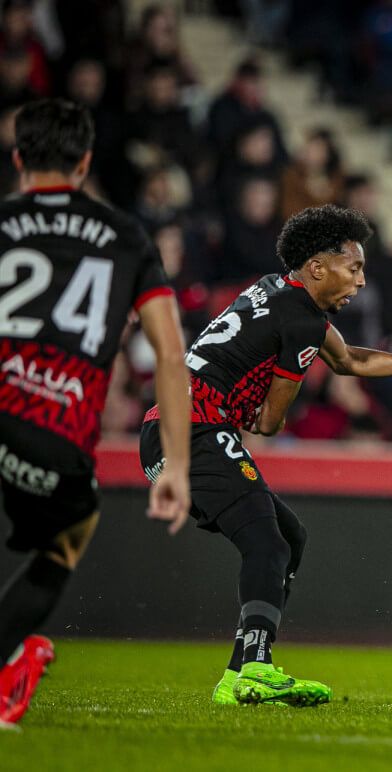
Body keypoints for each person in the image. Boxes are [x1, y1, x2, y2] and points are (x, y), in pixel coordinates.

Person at [138, 204, 392, 708]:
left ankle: (239, 674)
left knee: (288, 536)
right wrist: (258, 401)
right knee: (267, 542)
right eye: (352, 268)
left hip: (176, 426)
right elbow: (270, 422)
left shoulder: (275, 288)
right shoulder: (303, 320)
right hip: (190, 430)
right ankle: (258, 669)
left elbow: (350, 358)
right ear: (317, 268)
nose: (360, 281)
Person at [0, 99, 192, 727]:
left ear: (19, 158)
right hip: (53, 434)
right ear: (84, 162)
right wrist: (177, 467)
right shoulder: (126, 236)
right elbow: (169, 353)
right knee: (71, 533)